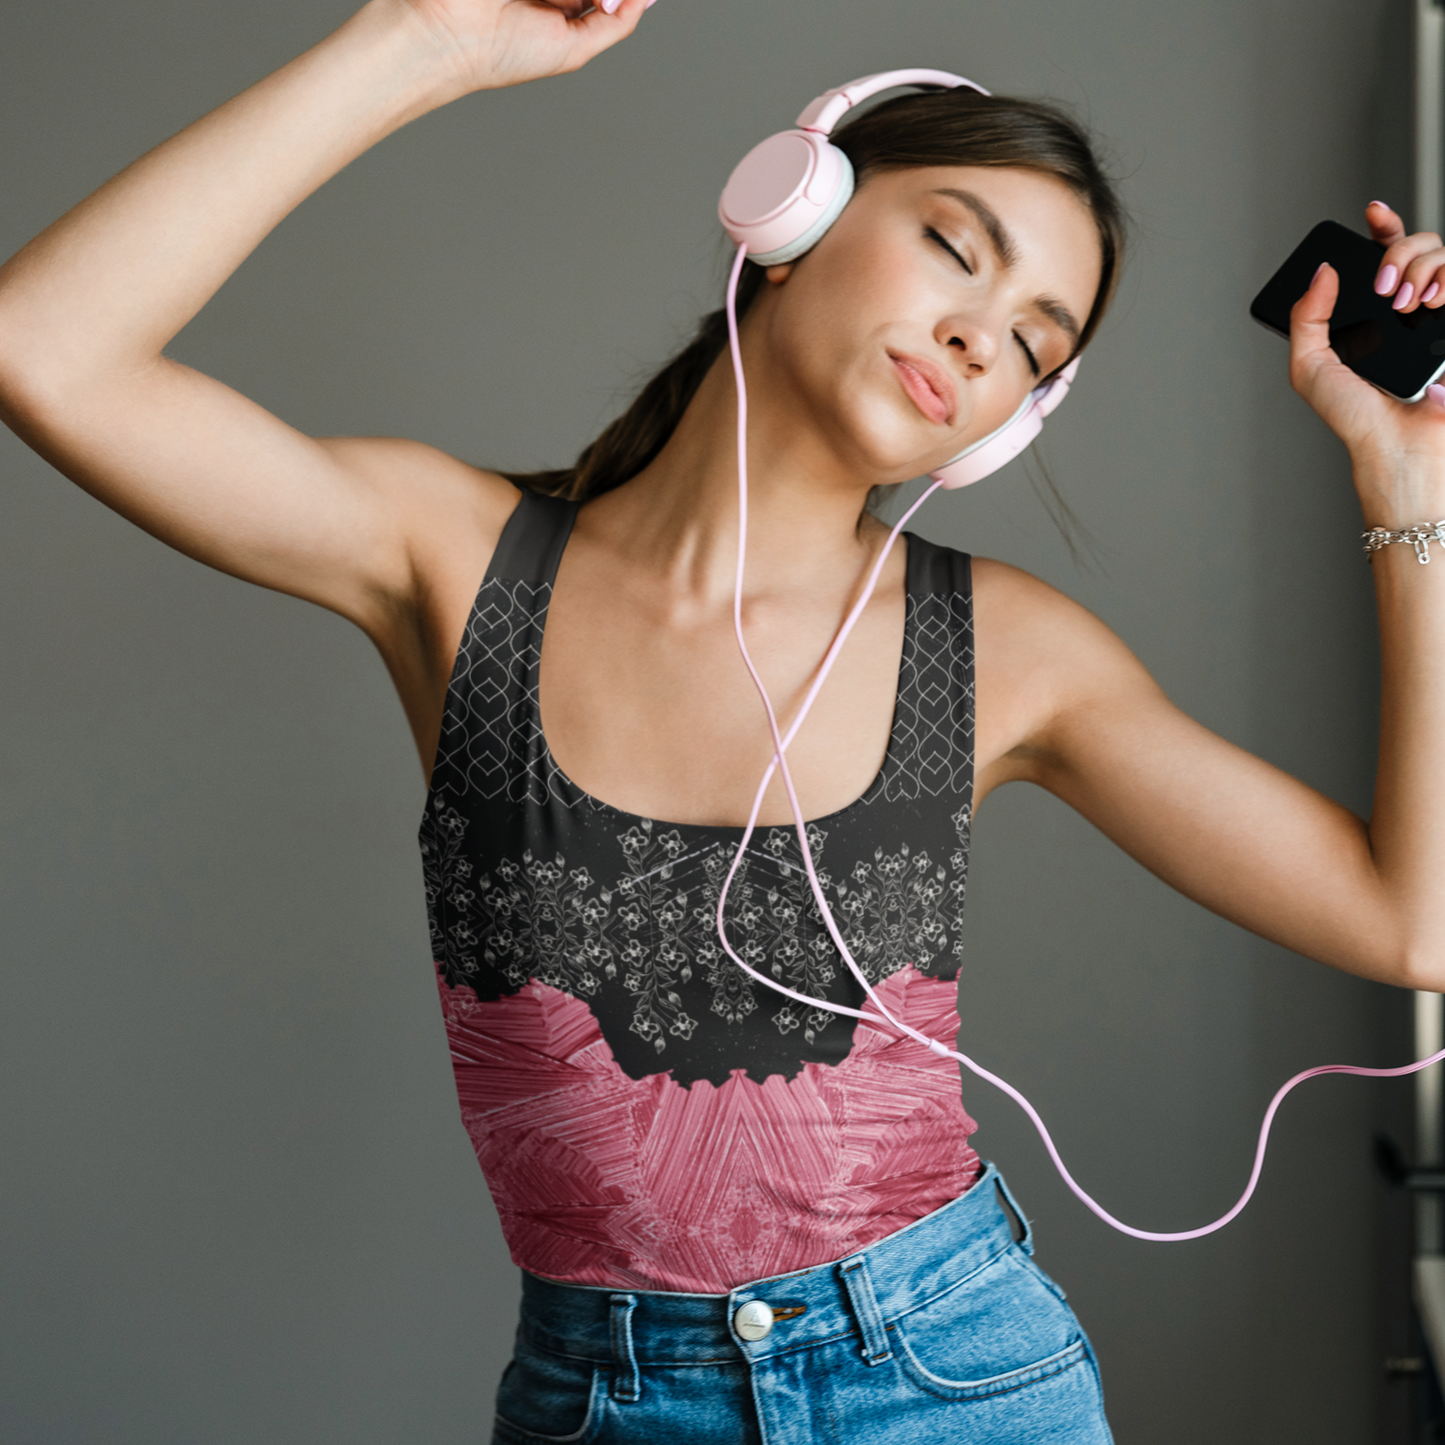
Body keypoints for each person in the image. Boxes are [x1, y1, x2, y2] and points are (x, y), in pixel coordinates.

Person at [2, 1, 1444, 1441]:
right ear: (793, 202)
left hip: (954, 1381)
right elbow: (44, 351)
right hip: (602, 1398)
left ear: (1004, 426)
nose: (974, 331)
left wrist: (1407, 495)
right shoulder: (449, 560)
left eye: (1029, 340)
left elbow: (1413, 926)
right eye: (956, 246)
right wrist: (421, 41)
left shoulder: (1007, 650)